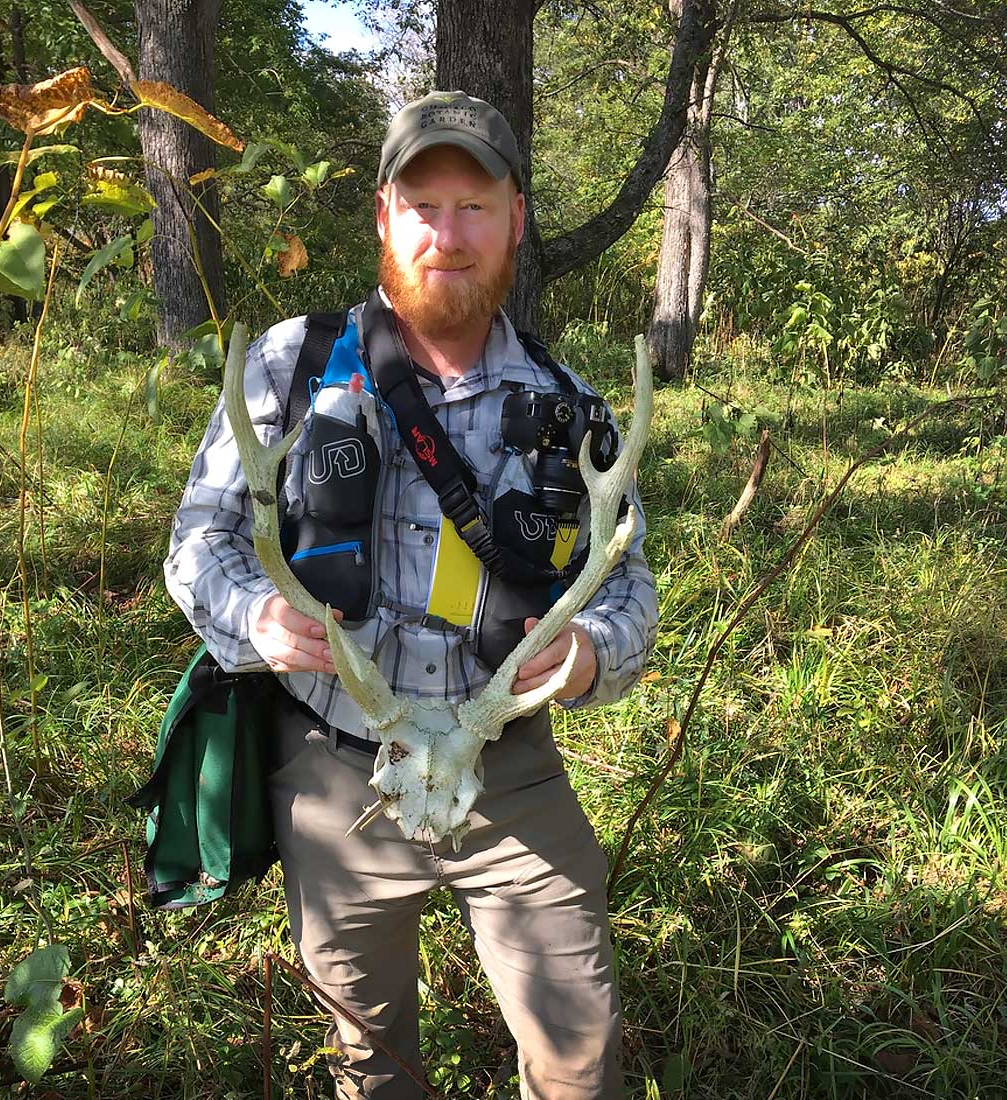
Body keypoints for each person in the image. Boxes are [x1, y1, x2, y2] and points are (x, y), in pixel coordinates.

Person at [165, 90, 658, 1100]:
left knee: (578, 1056)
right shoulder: (290, 367)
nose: (448, 233)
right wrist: (255, 616)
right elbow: (197, 542)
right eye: (422, 205)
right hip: (335, 773)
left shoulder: (571, 408)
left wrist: (593, 651)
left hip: (508, 774)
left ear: (514, 218)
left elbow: (630, 583)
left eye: (473, 206)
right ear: (385, 216)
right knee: (372, 1057)